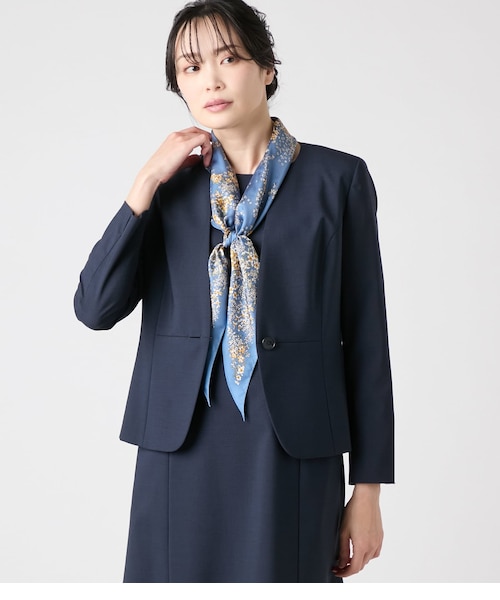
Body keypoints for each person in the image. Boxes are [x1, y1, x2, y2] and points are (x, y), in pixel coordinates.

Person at [74, 0, 394, 583]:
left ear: (267, 67)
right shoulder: (170, 187)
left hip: (291, 448)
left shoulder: (338, 180)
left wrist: (368, 489)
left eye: (229, 59)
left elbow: (367, 337)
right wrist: (145, 181)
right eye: (191, 67)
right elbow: (95, 307)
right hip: (180, 445)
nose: (211, 81)